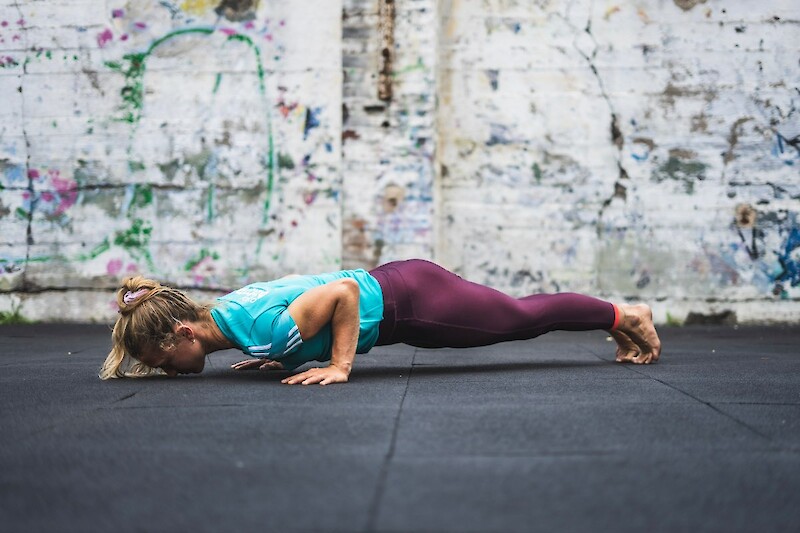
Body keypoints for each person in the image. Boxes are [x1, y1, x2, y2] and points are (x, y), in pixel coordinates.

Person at [99, 259, 662, 385]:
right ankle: (615, 319)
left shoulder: (254, 327)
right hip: (401, 291)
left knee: (518, 320)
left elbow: (341, 293)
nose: (165, 371)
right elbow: (290, 309)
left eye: (159, 361)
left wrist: (340, 365)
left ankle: (624, 313)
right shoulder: (230, 314)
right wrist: (282, 352)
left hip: (410, 302)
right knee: (517, 315)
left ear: (182, 333)